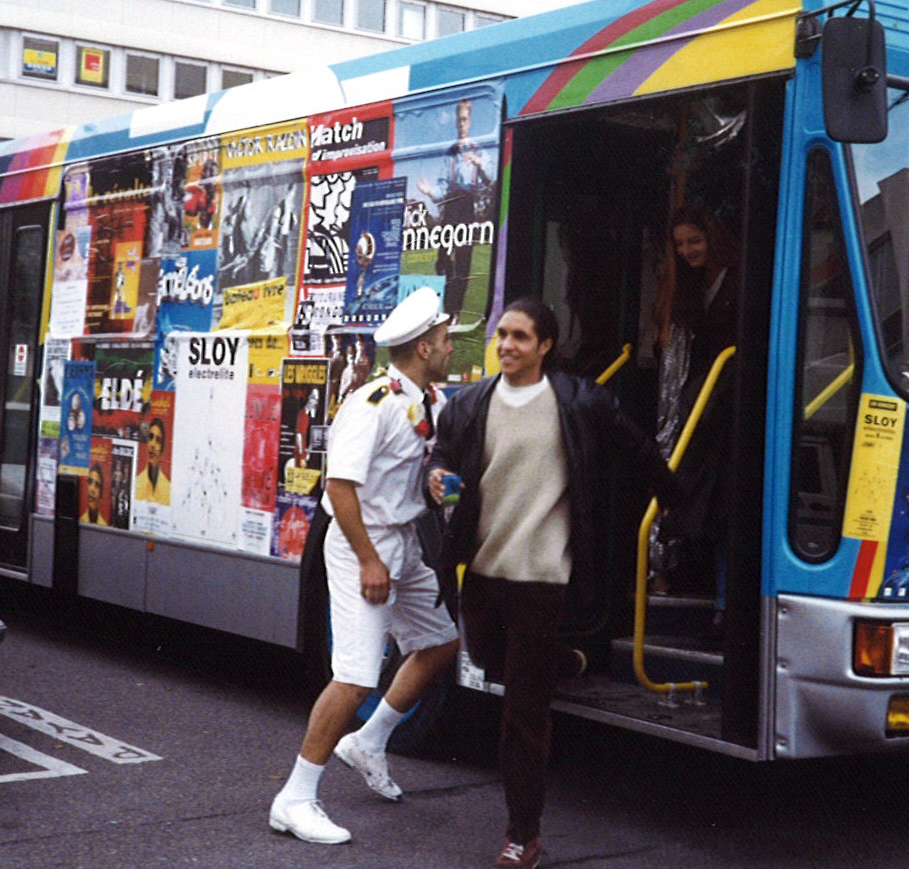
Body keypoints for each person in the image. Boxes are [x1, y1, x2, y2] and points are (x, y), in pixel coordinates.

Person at [426, 298, 681, 869]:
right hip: (484, 569)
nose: (506, 345)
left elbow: (638, 448)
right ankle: (564, 661)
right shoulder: (469, 403)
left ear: (546, 346)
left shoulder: (580, 400)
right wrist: (436, 477)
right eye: (502, 335)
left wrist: (674, 498)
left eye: (520, 337)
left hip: (542, 575)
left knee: (522, 712)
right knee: (486, 658)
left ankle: (523, 835)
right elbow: (441, 458)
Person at [269, 287, 460, 845]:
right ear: (423, 348)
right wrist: (370, 560)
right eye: (445, 339)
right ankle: (294, 798)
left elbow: (411, 470)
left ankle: (369, 741)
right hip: (363, 545)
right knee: (354, 676)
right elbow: (339, 486)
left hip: (403, 540)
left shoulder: (429, 402)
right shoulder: (371, 403)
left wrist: (434, 484)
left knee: (440, 642)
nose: (451, 347)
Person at [649, 204, 739, 595]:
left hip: (727, 405)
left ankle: (719, 596)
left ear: (713, 238)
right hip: (701, 404)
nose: (687, 251)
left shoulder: (739, 280)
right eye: (680, 244)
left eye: (695, 241)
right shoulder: (689, 286)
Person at [417, 97, 493, 324]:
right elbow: (442, 186)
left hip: (467, 206)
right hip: (450, 208)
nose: (461, 124)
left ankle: (454, 312)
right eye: (458, 120)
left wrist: (479, 164)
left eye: (464, 120)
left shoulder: (480, 149)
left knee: (463, 260)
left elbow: (489, 180)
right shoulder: (450, 152)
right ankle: (444, 306)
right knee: (442, 258)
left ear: (470, 121)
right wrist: (430, 192)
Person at [134, 417, 172, 504]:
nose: (153, 445)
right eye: (150, 437)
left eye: (158, 440)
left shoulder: (168, 489)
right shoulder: (136, 483)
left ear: (162, 448)